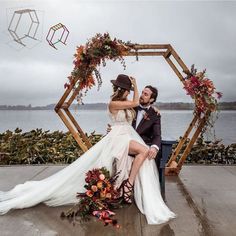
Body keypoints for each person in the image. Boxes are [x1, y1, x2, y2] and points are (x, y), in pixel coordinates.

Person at [0, 74, 176, 224]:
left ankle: (127, 186)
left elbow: (139, 106)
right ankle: (128, 186)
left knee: (144, 151)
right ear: (123, 90)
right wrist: (136, 86)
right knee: (144, 151)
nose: (132, 92)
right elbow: (136, 102)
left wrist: (154, 108)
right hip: (119, 137)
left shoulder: (132, 105)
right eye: (128, 89)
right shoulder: (114, 103)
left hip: (126, 135)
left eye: (145, 94)